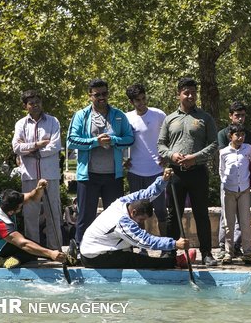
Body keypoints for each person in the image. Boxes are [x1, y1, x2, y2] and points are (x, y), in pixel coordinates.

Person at [79, 169, 196, 269]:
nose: (141, 223)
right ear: (134, 212)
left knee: (130, 251)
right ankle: (175, 262)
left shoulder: (123, 202)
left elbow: (146, 194)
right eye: (141, 219)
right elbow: (145, 241)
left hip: (99, 248)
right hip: (94, 257)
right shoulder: (122, 222)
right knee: (136, 259)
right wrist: (174, 244)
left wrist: (163, 180)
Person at [158, 77, 218, 266]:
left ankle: (207, 253)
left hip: (198, 172)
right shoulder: (170, 119)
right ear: (179, 95)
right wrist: (172, 155)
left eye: (193, 92)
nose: (190, 95)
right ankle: (169, 251)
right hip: (176, 173)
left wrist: (195, 157)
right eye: (186, 92)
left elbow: (214, 144)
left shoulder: (205, 118)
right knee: (173, 214)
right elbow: (161, 145)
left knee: (201, 213)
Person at [67, 79, 134, 245]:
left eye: (104, 93)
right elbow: (71, 141)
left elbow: (130, 138)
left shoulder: (119, 115)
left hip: (113, 175)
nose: (101, 97)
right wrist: (95, 141)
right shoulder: (81, 115)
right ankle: (82, 251)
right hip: (88, 176)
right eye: (97, 94)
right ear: (90, 96)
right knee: (85, 217)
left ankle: (117, 249)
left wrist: (113, 140)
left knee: (115, 217)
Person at [0, 179, 67, 273]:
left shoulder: (2, 200)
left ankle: (5, 259)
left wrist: (38, 189)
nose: (22, 207)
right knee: (30, 251)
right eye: (20, 207)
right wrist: (50, 254)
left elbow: (31, 196)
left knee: (34, 248)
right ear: (11, 211)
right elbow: (24, 244)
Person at [12, 90, 63, 249]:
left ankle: (56, 250)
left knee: (53, 213)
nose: (35, 106)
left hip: (50, 175)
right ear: (25, 106)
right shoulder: (21, 124)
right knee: (30, 214)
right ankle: (33, 251)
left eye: (38, 102)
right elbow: (16, 147)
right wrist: (36, 145)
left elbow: (55, 146)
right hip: (29, 176)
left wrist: (34, 153)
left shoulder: (53, 121)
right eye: (31, 103)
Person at [124, 83, 167, 237]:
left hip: (156, 170)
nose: (142, 103)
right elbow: (122, 141)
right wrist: (124, 159)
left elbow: (170, 136)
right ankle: (141, 248)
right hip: (135, 171)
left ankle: (165, 248)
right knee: (137, 212)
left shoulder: (159, 115)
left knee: (161, 211)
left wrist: (166, 155)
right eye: (138, 100)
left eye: (143, 98)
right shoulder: (126, 118)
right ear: (131, 102)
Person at [216, 101, 251, 259]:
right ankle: (224, 249)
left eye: (243, 115)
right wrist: (225, 182)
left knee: (244, 220)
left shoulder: (249, 136)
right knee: (227, 220)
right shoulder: (222, 134)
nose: (240, 118)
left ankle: (244, 249)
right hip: (228, 184)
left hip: (244, 185)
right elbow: (222, 165)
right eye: (237, 115)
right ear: (230, 116)